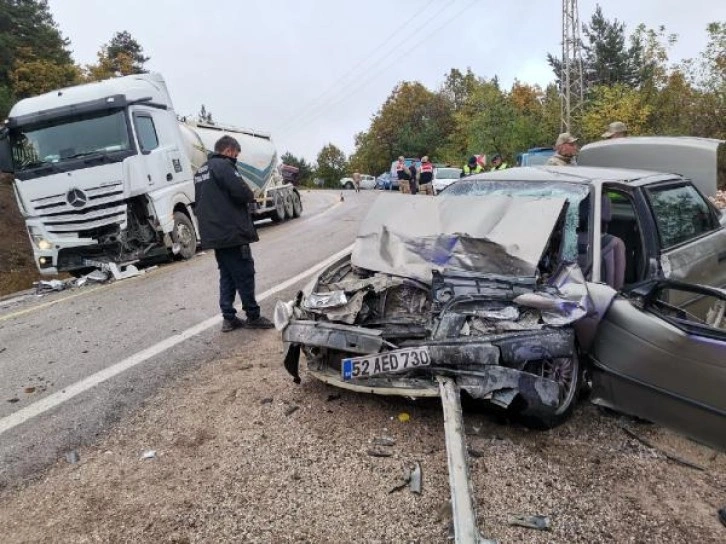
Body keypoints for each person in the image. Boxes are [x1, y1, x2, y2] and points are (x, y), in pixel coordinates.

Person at [194, 135, 274, 332]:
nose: (236, 158)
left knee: (227, 275)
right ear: (229, 150)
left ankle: (229, 318)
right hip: (231, 231)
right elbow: (242, 193)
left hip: (215, 234)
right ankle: (252, 315)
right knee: (245, 273)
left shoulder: (201, 171)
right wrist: (250, 195)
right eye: (236, 154)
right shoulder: (224, 166)